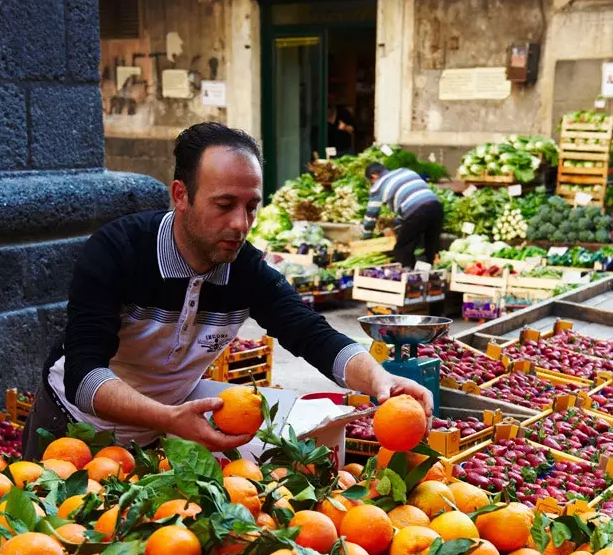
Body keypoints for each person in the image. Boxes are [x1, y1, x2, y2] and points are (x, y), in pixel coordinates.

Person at [23, 123, 432, 459]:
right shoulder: (118, 251)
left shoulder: (246, 268)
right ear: (181, 195)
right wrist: (167, 417)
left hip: (158, 437)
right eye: (224, 205)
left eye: (252, 206)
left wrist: (381, 381)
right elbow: (83, 374)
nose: (241, 223)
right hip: (71, 427)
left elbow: (312, 334)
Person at [362, 162, 444, 268]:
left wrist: (366, 238)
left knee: (402, 249)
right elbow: (411, 200)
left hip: (417, 212)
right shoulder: (405, 171)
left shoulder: (378, 186)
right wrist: (396, 225)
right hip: (436, 207)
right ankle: (428, 278)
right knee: (430, 249)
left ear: (374, 176)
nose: (372, 183)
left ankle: (408, 279)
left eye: (371, 181)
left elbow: (371, 215)